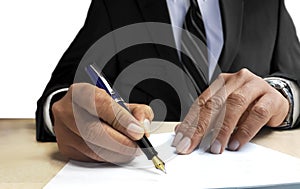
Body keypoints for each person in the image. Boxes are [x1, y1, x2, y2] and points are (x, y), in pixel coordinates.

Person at [36, 0, 300, 162]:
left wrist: (282, 96)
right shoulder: (115, 4)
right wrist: (63, 114)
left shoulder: (267, 2)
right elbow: (63, 92)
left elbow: (295, 79)